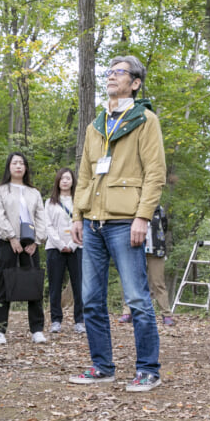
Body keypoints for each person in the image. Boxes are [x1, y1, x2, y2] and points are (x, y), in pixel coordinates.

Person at [67, 55, 167, 392]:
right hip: (92, 222)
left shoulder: (145, 120)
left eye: (119, 73)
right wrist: (77, 215)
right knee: (91, 299)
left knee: (137, 298)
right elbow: (83, 174)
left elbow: (155, 174)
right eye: (109, 72)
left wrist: (142, 216)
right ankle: (102, 367)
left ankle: (148, 370)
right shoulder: (96, 125)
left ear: (135, 83)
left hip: (126, 222)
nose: (111, 77)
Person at [0, 152, 47, 344]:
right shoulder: (1, 191)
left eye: (22, 163)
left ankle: (37, 329)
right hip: (8, 242)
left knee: (34, 284)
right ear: (9, 167)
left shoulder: (34, 192)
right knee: (4, 284)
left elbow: (41, 217)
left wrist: (37, 241)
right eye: (14, 163)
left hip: (30, 243)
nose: (18, 166)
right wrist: (11, 236)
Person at [118, 204, 174, 326]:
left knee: (158, 282)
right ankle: (127, 312)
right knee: (131, 280)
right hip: (134, 247)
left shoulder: (159, 210)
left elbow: (164, 227)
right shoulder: (131, 207)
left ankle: (167, 315)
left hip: (156, 250)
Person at [44, 167, 83, 334]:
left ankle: (80, 320)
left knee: (79, 285)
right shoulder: (50, 202)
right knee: (55, 285)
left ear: (73, 181)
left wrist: (73, 244)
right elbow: (48, 226)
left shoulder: (79, 201)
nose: (65, 181)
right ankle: (56, 320)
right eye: (62, 178)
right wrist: (61, 244)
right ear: (58, 182)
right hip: (55, 248)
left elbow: (84, 224)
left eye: (68, 178)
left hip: (77, 247)